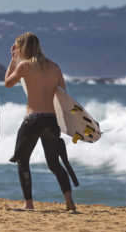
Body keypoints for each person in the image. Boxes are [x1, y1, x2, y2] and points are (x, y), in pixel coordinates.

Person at [4, 32, 77, 211]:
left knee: (23, 161)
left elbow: (7, 83)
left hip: (32, 120)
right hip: (51, 120)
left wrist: (12, 59)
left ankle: (28, 204)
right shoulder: (55, 67)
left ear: (23, 48)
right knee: (54, 163)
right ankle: (69, 201)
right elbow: (63, 97)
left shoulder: (24, 66)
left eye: (17, 46)